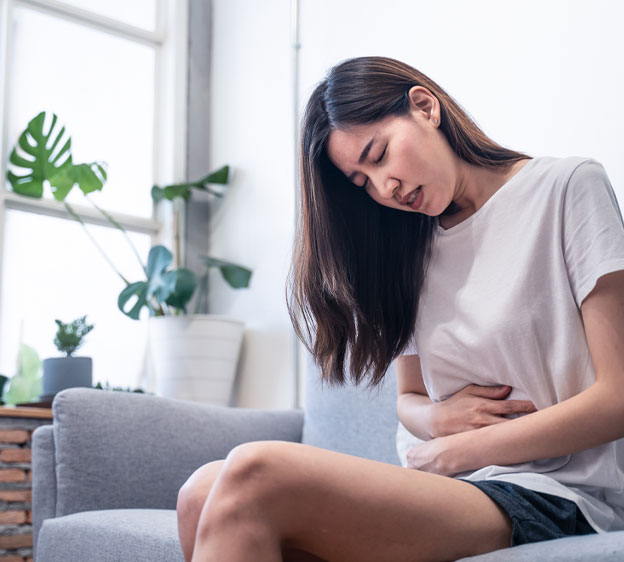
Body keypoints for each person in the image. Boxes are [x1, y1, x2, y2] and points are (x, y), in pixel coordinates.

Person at [176, 56, 624, 561]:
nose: (384, 187)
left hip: (557, 495)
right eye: (363, 182)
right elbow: (409, 398)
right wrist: (436, 422)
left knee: (253, 474)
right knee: (200, 491)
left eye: (380, 153)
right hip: (451, 484)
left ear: (424, 106)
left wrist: (459, 450)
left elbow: (618, 397)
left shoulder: (566, 188)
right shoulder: (409, 250)